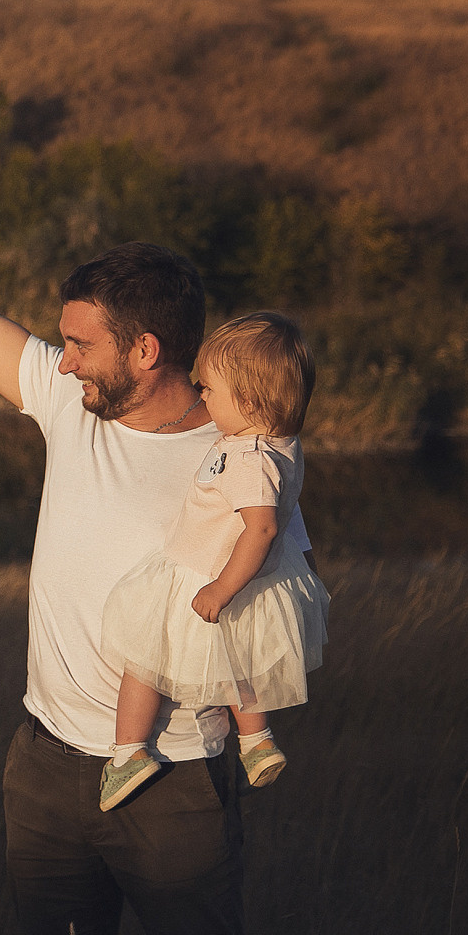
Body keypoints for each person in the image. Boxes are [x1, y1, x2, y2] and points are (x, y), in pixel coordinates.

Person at [0, 101, 315, 935]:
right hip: (44, 767)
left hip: (173, 781)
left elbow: (271, 607)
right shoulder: (72, 408)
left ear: (145, 351)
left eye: (79, 343)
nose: (59, 357)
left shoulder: (237, 457)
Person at [98, 311, 331, 810]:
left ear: (247, 402)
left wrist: (221, 588)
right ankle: (256, 740)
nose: (202, 397)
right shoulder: (282, 444)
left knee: (144, 660)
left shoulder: (248, 459)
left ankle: (128, 753)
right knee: (238, 660)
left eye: (210, 390)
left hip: (203, 572)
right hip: (257, 580)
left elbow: (263, 526)